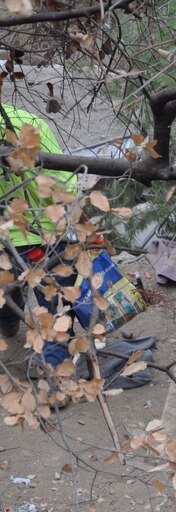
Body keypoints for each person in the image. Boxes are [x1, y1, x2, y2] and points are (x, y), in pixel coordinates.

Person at [0, 103, 79, 351]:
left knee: (7, 298)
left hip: (6, 242)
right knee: (58, 306)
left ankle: (9, 324)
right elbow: (65, 184)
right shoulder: (26, 120)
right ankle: (57, 368)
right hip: (51, 235)